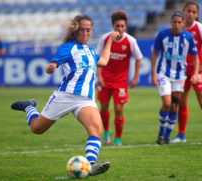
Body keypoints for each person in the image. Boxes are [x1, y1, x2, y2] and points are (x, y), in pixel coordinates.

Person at [10, 15, 120, 176]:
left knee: (96, 130)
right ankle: (28, 106)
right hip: (65, 96)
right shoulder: (67, 47)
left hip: (86, 100)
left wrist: (110, 39)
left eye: (88, 30)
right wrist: (51, 67)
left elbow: (103, 61)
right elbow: (54, 63)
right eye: (82, 29)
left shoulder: (89, 50)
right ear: (76, 30)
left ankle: (90, 165)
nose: (85, 33)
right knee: (37, 128)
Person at [171, 1, 202, 144]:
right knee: (182, 102)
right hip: (182, 71)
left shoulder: (200, 28)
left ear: (197, 14)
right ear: (184, 12)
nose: (191, 14)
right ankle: (181, 135)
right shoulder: (178, 28)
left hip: (196, 71)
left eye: (194, 12)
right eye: (188, 11)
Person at [151, 11, 199, 145]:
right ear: (170, 23)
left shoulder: (188, 37)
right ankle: (161, 132)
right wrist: (153, 73)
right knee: (166, 103)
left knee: (173, 106)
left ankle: (167, 136)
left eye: (179, 22)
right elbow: (154, 53)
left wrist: (195, 73)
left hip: (179, 76)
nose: (177, 25)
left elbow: (195, 56)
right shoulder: (162, 35)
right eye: (174, 22)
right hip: (163, 73)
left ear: (183, 24)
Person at [96, 10, 143, 146]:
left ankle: (118, 138)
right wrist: (99, 76)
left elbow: (139, 58)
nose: (120, 29)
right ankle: (106, 131)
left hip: (120, 81)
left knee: (118, 109)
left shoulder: (130, 41)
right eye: (117, 26)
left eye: (122, 26)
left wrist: (134, 77)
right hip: (105, 78)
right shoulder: (105, 39)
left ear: (125, 27)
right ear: (113, 26)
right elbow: (98, 58)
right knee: (103, 108)